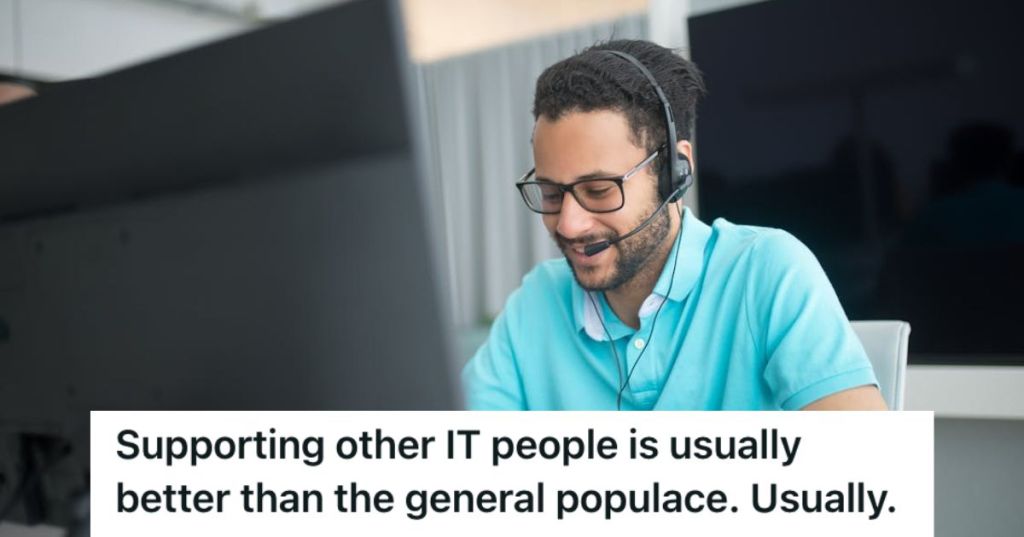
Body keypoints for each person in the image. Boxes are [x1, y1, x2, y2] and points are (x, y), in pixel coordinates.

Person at [461, 40, 887, 410]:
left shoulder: (766, 271)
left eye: (599, 190)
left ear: (674, 171)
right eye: (552, 193)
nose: (569, 225)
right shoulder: (536, 302)